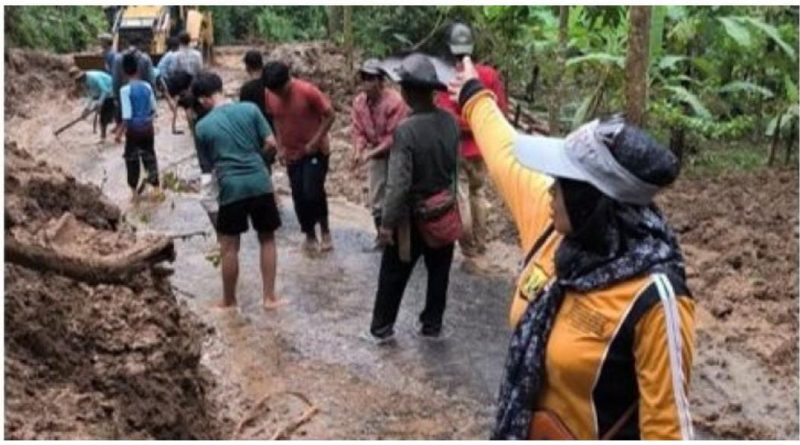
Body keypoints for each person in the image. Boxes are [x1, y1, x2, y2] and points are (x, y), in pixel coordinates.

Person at [449, 57, 696, 439]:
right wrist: (472, 93)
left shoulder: (656, 298)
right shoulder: (555, 229)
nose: (548, 190)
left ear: (593, 201)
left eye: (562, 183)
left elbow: (667, 430)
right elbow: (504, 154)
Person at [367, 53, 459, 342]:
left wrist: (386, 225)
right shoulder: (450, 122)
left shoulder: (406, 130)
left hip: (413, 217)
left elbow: (398, 184)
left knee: (394, 271)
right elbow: (455, 166)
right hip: (444, 208)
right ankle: (432, 324)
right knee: (439, 272)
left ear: (406, 91)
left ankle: (382, 327)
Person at [192, 71, 283, 310]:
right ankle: (269, 298)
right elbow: (272, 143)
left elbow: (207, 170)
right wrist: (258, 162)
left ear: (202, 100)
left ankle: (229, 300)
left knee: (229, 246)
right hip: (260, 181)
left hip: (231, 187)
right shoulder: (250, 109)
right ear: (220, 88)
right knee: (267, 239)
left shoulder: (202, 127)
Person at [435, 22, 508, 262]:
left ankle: (467, 246)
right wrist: (480, 122)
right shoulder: (489, 75)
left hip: (459, 149)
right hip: (483, 147)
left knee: (462, 195)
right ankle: (479, 243)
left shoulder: (450, 78)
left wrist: (467, 119)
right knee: (479, 194)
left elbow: (447, 118)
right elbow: (500, 113)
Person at [263, 61, 336, 253]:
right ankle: (309, 234)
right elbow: (275, 119)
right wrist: (279, 146)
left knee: (313, 191)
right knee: (298, 195)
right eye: (275, 91)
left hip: (315, 150)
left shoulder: (307, 91)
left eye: (282, 90)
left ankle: (325, 231)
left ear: (288, 79)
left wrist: (314, 141)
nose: (279, 94)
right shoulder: (269, 94)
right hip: (291, 152)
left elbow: (330, 115)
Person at [351, 58, 409, 248]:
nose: (367, 83)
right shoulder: (359, 103)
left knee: (398, 195)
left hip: (398, 153)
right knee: (377, 198)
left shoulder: (395, 102)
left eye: (371, 79)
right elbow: (359, 130)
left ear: (381, 81)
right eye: (364, 78)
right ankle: (382, 239)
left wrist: (370, 153)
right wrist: (359, 150)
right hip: (377, 154)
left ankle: (403, 240)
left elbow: (394, 137)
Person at [115, 52, 161, 202]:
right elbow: (154, 110)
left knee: (132, 160)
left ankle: (134, 195)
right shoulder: (147, 86)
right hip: (148, 129)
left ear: (123, 71)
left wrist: (118, 134)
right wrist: (147, 120)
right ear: (139, 69)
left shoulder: (125, 90)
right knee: (150, 157)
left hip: (134, 132)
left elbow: (127, 117)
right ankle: (156, 190)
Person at [239, 50, 275, 172]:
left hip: (256, 129)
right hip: (273, 126)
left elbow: (244, 112)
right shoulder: (271, 83)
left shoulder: (247, 89)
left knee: (259, 163)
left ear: (247, 67)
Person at [111, 38, 155, 125]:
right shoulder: (145, 59)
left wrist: (115, 96)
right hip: (142, 95)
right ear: (140, 45)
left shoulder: (118, 59)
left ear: (126, 45)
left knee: (124, 119)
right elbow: (151, 79)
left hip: (123, 95)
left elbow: (115, 80)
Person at [69, 66, 115, 142]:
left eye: (79, 78)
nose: (79, 81)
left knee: (104, 116)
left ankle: (103, 137)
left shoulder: (94, 77)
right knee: (103, 115)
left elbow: (105, 90)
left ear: (82, 75)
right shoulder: (83, 82)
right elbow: (90, 95)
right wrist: (86, 109)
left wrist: (100, 103)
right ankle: (104, 134)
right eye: (77, 80)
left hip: (111, 90)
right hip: (101, 93)